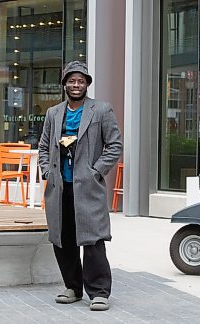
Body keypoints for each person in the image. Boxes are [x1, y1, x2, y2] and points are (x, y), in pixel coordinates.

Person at [38, 61, 122, 311]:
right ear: (64, 84)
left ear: (87, 84)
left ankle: (99, 292)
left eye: (81, 81)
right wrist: (46, 170)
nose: (76, 85)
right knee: (63, 239)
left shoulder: (101, 110)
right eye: (72, 81)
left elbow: (114, 146)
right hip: (60, 186)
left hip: (87, 186)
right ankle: (72, 287)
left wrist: (95, 171)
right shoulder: (53, 113)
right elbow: (44, 146)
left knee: (93, 239)